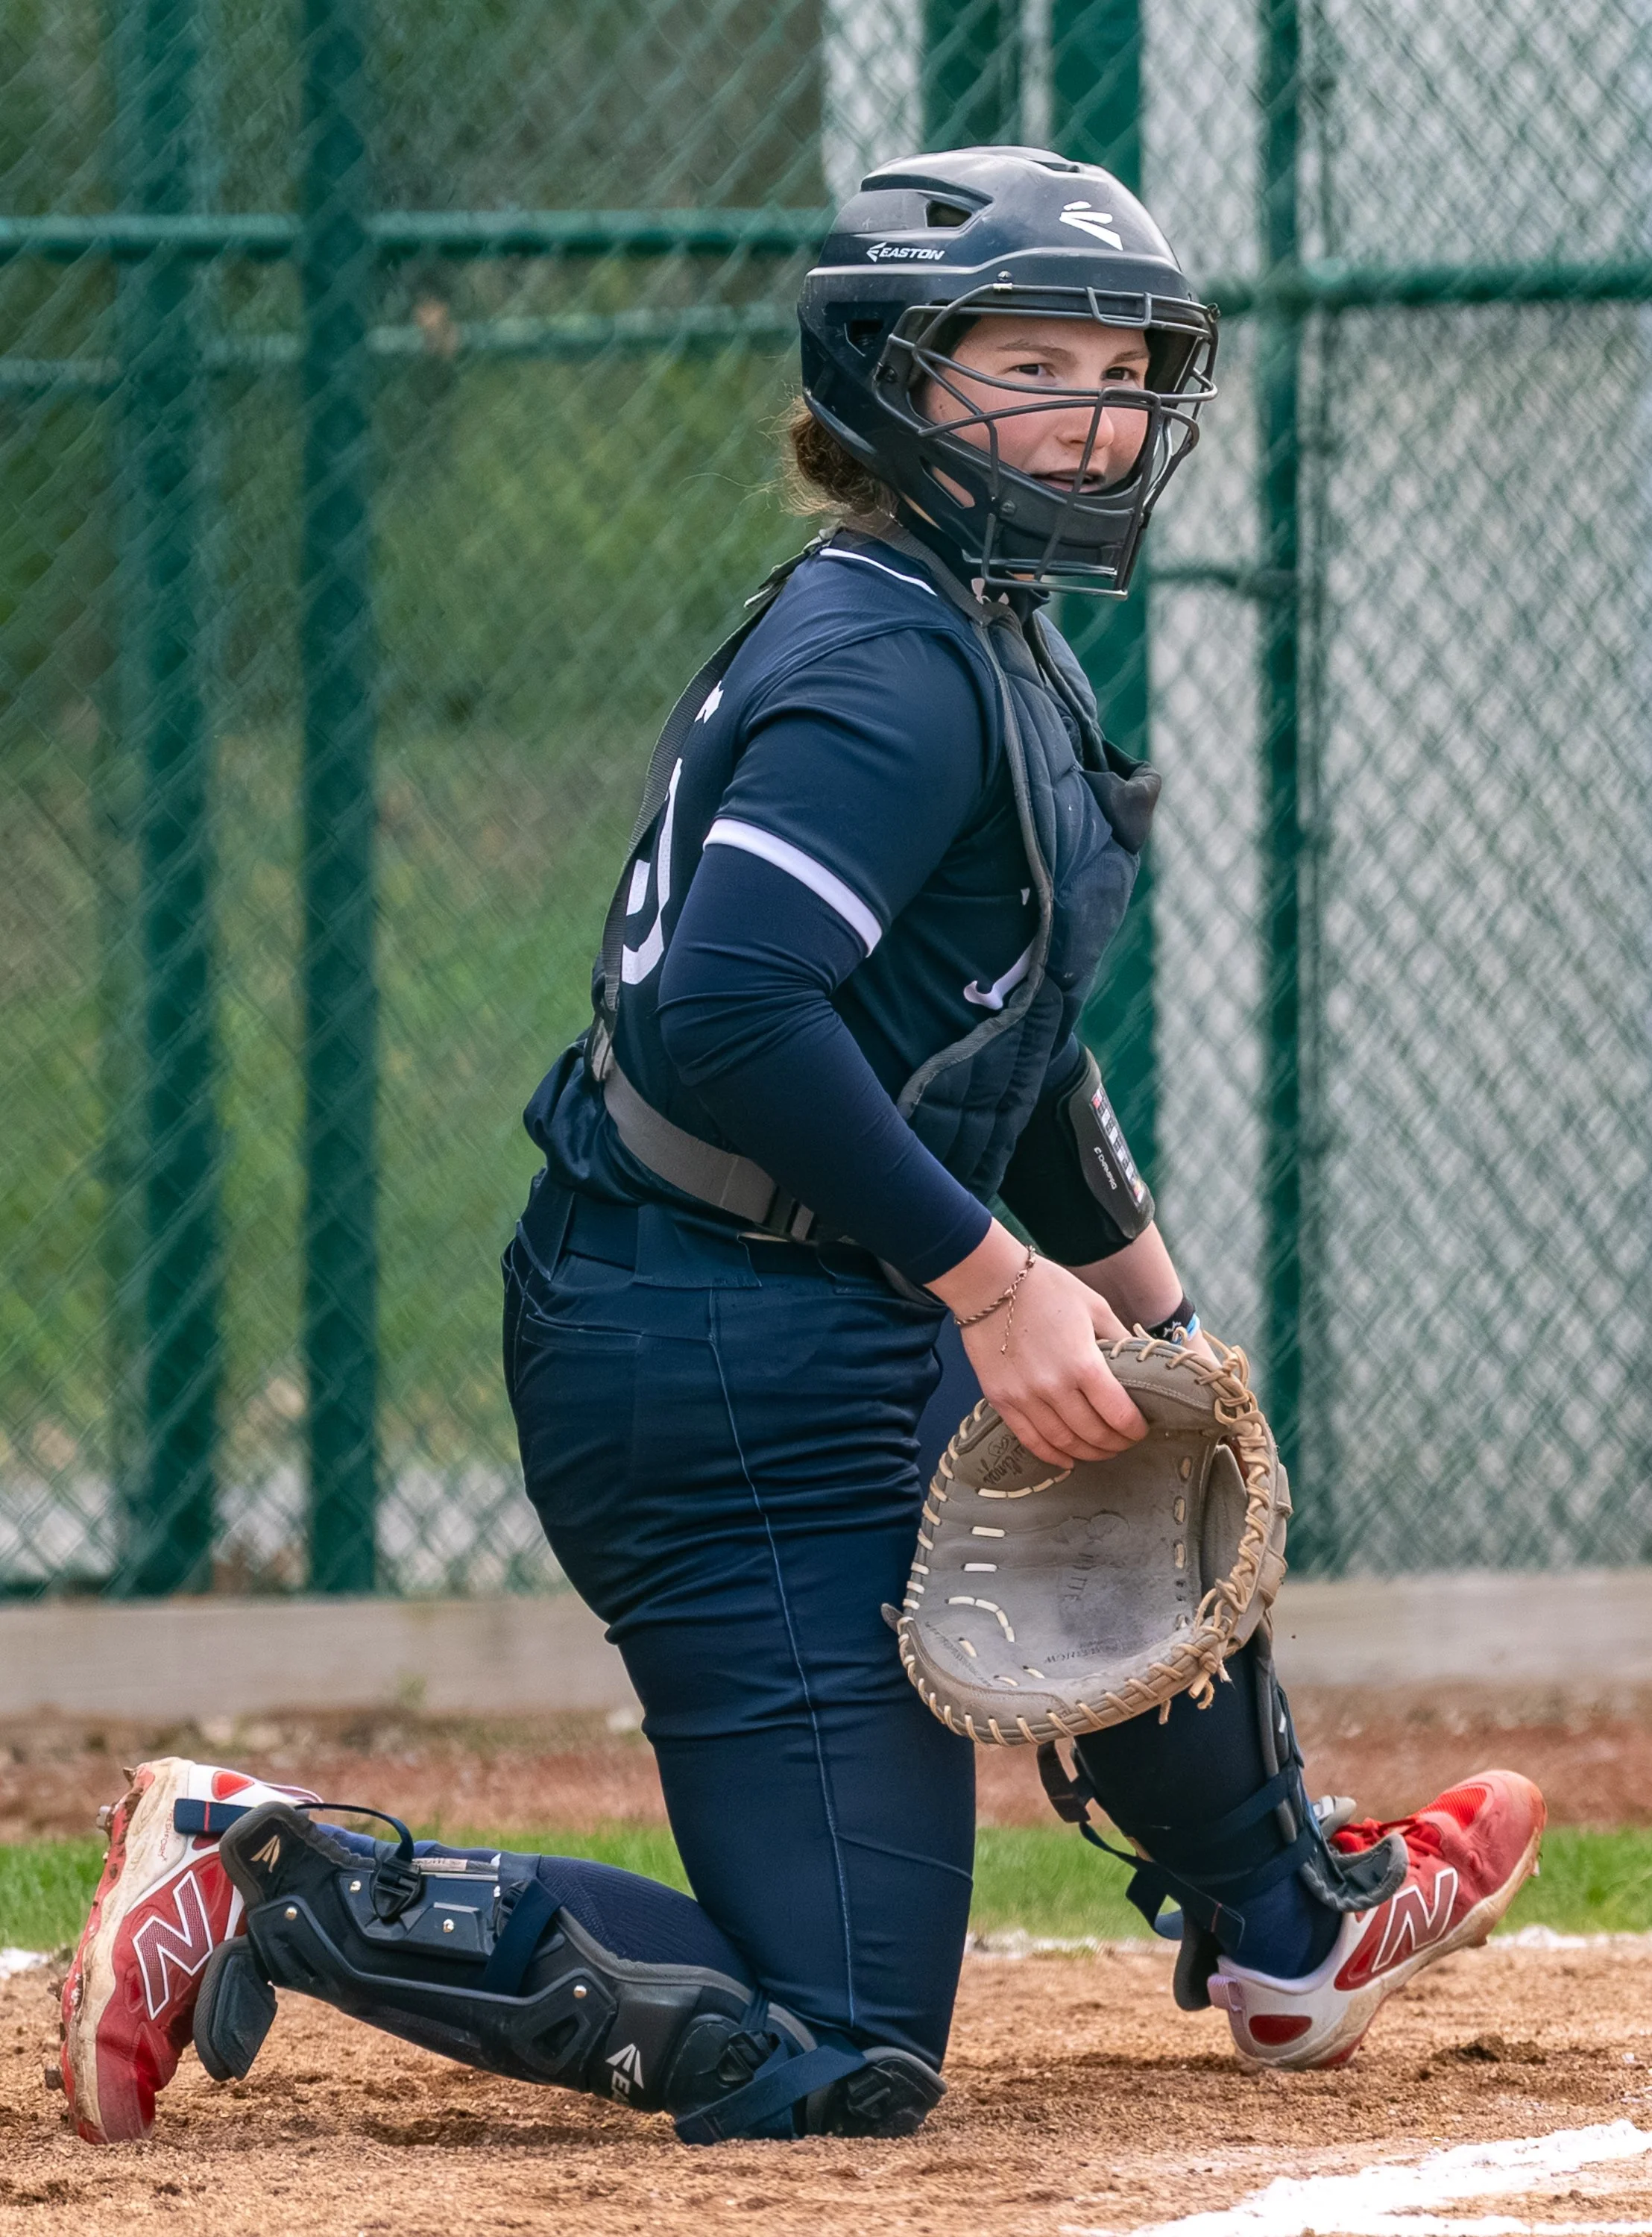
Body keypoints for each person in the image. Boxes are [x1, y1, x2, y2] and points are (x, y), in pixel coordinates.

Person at [60, 145, 1542, 2148]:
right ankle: (258, 1871)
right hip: (708, 1354)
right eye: (1031, 364)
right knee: (834, 2049)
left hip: (806, 1298)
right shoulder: (889, 663)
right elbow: (731, 1013)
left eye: (1123, 370)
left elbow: (1004, 1041)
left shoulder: (984, 625)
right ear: (892, 382)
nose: (1094, 413)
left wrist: (1139, 1300)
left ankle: (1294, 1929)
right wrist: (992, 1283)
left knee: (1144, 1440)